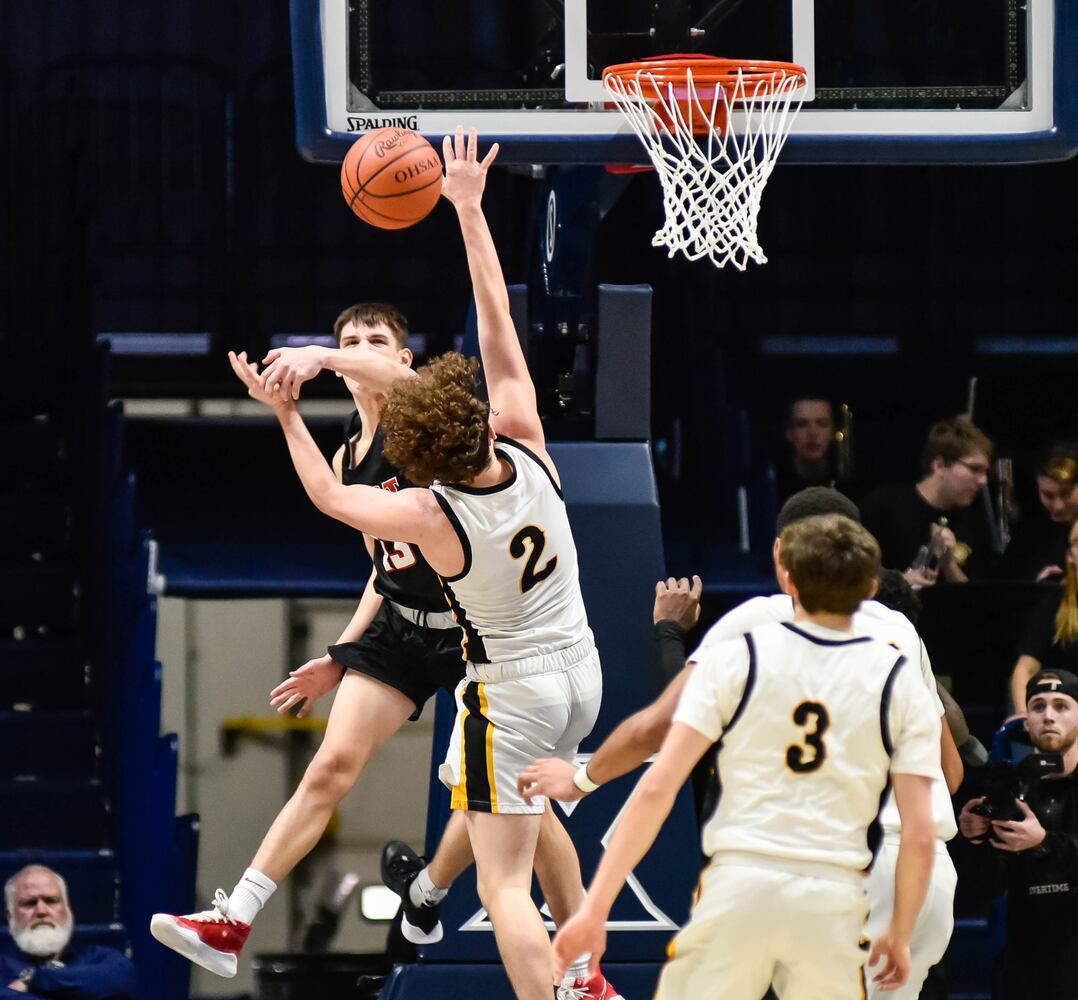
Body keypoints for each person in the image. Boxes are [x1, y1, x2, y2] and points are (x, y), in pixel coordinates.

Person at [152, 129, 620, 1000]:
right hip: (547, 653)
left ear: (406, 370)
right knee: (474, 795)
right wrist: (471, 212)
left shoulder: (431, 507)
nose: (362, 350)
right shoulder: (524, 441)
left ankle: (532, 956)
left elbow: (335, 506)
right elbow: (498, 328)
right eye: (350, 341)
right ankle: (572, 968)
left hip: (494, 661)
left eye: (377, 343)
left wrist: (288, 402)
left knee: (504, 863)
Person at [519, 486, 963, 1000]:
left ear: (781, 558)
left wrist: (579, 781)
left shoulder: (758, 624)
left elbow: (658, 734)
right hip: (923, 876)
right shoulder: (901, 632)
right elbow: (948, 775)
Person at [957, 669, 1078, 1000]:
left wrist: (1044, 843)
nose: (1048, 715)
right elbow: (982, 889)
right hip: (1027, 963)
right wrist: (976, 838)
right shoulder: (1012, 787)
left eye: (1061, 706)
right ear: (1026, 722)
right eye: (1038, 706)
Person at [860, 416, 996, 587]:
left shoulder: (974, 524)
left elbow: (979, 601)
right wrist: (900, 583)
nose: (983, 481)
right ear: (939, 465)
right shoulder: (883, 506)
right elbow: (853, 577)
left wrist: (949, 564)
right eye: (974, 469)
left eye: (985, 472)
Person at [1, 866, 138, 1000]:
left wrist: (35, 980)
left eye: (51, 901)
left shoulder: (98, 958)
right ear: (10, 916)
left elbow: (124, 979)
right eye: (29, 903)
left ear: (68, 911)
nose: (41, 911)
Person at [1008, 519, 1078, 716]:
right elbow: (1026, 669)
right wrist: (1023, 714)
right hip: (1065, 714)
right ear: (1070, 556)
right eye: (1076, 542)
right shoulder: (1054, 604)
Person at [997, 441, 1078, 581]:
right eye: (1048, 495)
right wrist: (1041, 590)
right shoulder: (1028, 533)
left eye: (1066, 494)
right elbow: (1005, 590)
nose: (1058, 505)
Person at [774, 395, 842, 502]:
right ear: (789, 433)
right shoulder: (773, 489)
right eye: (802, 424)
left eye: (822, 424)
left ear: (833, 432)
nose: (812, 433)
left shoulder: (849, 488)